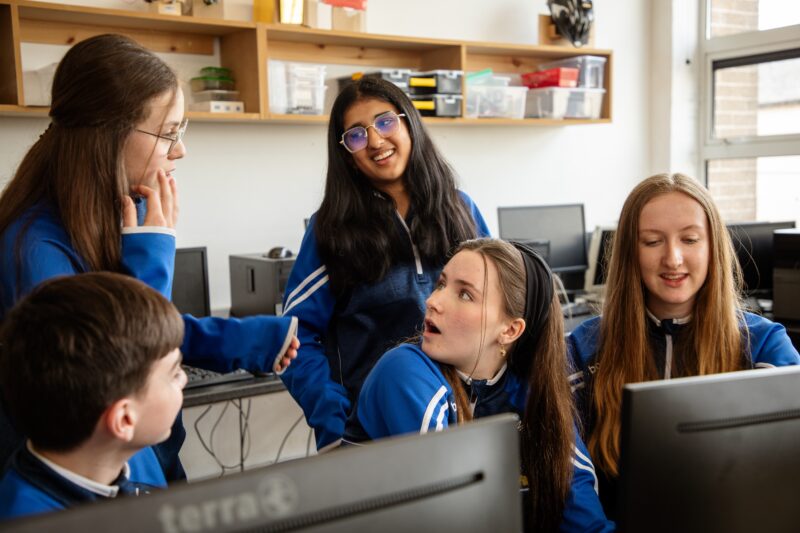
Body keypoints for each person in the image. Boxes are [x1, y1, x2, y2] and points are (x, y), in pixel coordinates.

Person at [0, 34, 298, 481]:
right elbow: (125, 362)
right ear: (109, 135)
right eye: (167, 134)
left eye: (181, 131)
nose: (180, 150)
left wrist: (250, 340)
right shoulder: (34, 250)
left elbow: (133, 327)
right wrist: (154, 250)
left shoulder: (107, 213)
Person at [567, 173, 800, 518]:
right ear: (631, 251)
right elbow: (569, 476)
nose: (673, 259)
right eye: (652, 242)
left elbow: (784, 464)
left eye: (690, 239)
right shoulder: (581, 349)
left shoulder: (764, 345)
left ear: (712, 247)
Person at [344, 238, 613, 532]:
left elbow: (583, 515)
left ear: (510, 330)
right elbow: (450, 516)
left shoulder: (533, 391)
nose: (432, 301)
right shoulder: (403, 371)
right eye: (441, 284)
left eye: (465, 295)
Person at [280, 76, 490, 451]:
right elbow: (295, 337)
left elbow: (498, 301)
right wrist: (332, 423)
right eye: (356, 135)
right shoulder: (330, 231)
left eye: (384, 121)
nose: (375, 141)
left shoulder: (462, 209)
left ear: (408, 121)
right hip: (374, 436)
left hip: (465, 419)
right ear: (347, 154)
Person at [0, 273, 186, 519]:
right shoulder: (31, 521)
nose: (184, 379)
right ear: (124, 420)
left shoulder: (129, 452)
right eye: (174, 373)